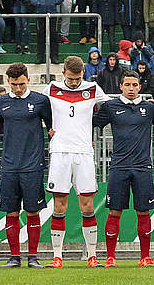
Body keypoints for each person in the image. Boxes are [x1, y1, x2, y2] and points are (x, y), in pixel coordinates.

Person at [45, 55, 110, 267]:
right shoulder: (52, 88)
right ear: (63, 73)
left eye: (78, 78)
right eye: (71, 79)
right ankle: (57, 257)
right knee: (59, 204)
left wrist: (94, 126)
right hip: (60, 152)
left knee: (87, 204)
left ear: (84, 73)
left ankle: (92, 256)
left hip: (83, 152)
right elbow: (36, 107)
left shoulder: (92, 88)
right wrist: (48, 128)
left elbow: (110, 107)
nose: (74, 83)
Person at [94, 68, 154, 267]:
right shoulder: (111, 106)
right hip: (119, 167)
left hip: (143, 167)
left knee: (143, 212)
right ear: (120, 86)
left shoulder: (149, 108)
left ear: (140, 87)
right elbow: (91, 123)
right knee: (114, 212)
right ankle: (110, 257)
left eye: (134, 85)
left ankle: (145, 256)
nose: (131, 89)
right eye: (127, 85)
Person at [0, 62, 51, 268]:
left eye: (22, 84)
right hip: (9, 166)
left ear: (28, 80)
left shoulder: (41, 101)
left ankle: (33, 256)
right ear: (7, 81)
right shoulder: (0, 103)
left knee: (33, 212)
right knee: (11, 212)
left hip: (33, 165)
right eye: (14, 84)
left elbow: (52, 127)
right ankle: (14, 257)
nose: (18, 88)